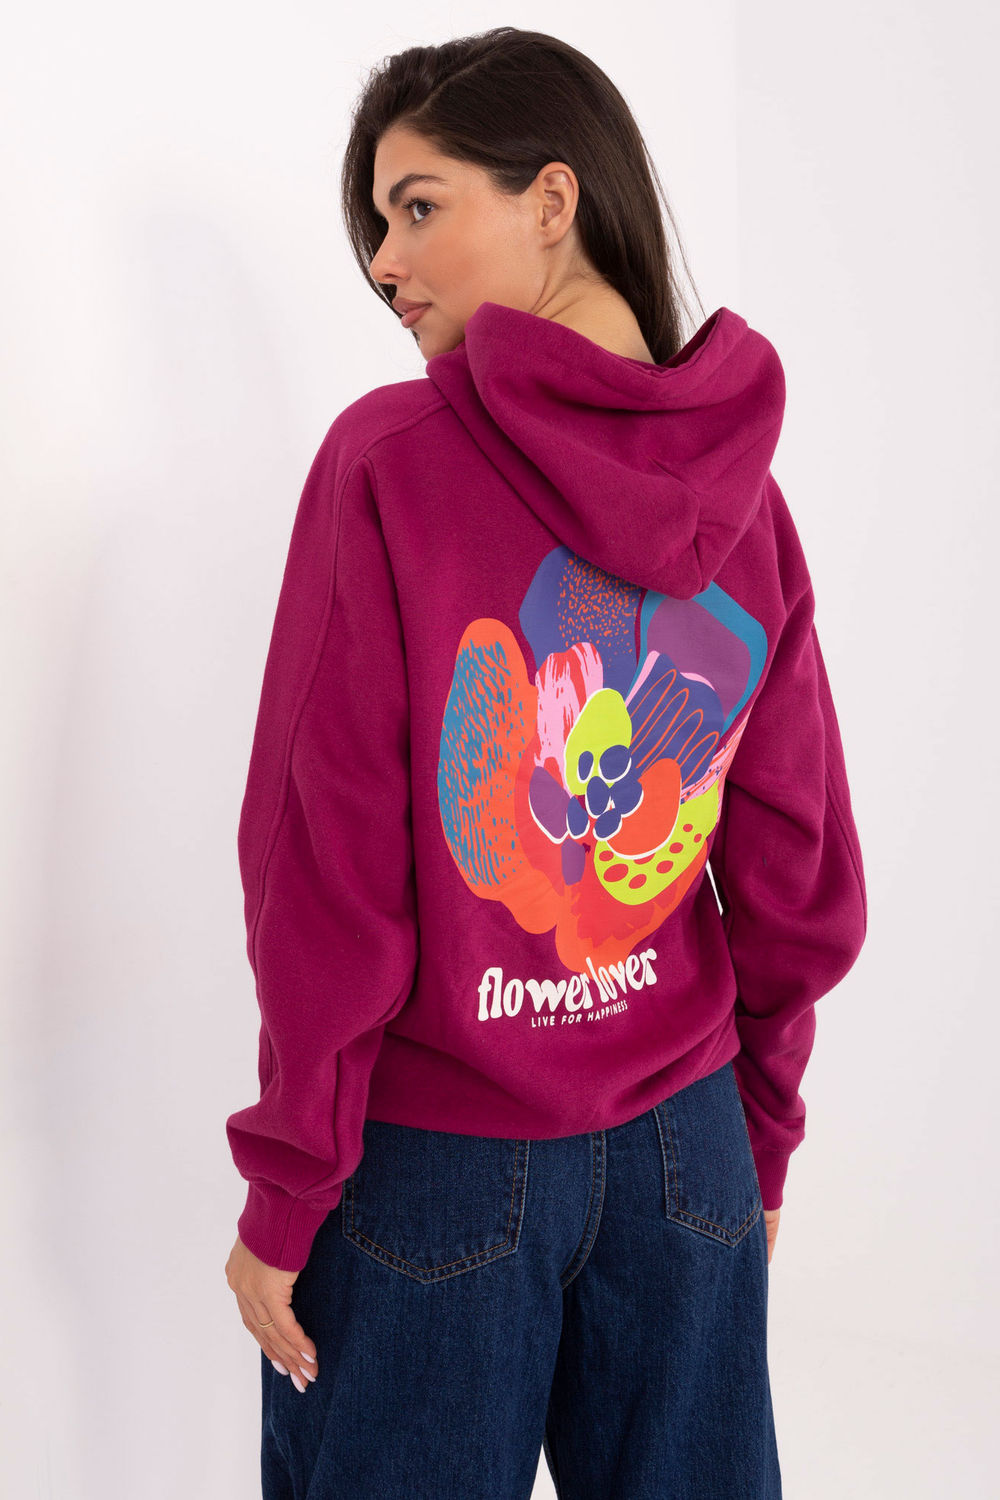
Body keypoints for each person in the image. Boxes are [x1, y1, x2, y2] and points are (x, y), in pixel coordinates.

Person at [224, 25, 867, 1500]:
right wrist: (760, 1132)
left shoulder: (388, 462)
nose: (385, 263)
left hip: (437, 1161)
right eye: (376, 224)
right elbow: (798, 861)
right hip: (689, 1152)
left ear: (554, 199)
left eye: (419, 206)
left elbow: (326, 864)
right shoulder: (746, 493)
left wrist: (288, 1181)